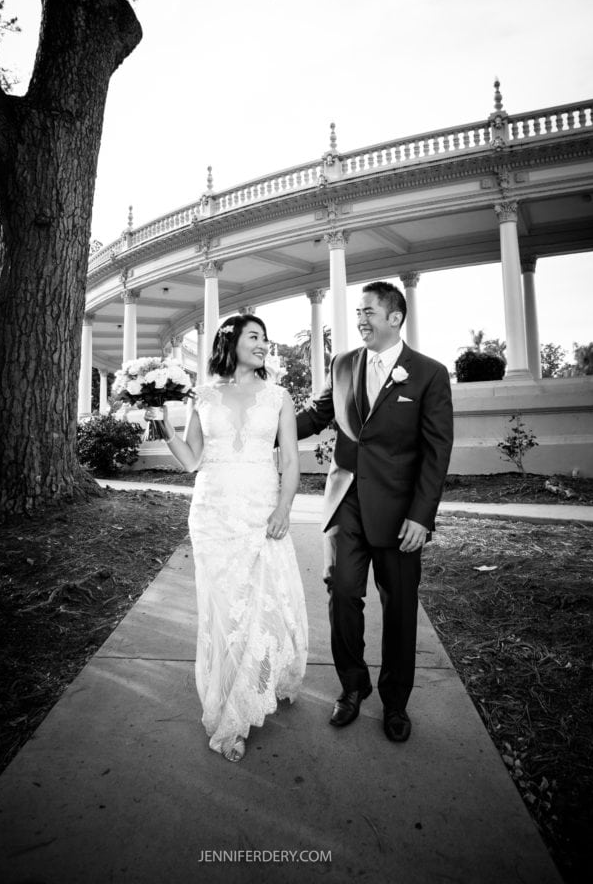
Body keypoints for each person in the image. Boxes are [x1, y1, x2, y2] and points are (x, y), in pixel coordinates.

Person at [296, 280, 453, 743]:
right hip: (345, 503)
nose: (360, 319)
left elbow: (436, 450)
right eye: (358, 312)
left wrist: (422, 517)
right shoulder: (343, 363)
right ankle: (352, 684)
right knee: (342, 592)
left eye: (368, 312)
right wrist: (259, 422)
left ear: (395, 318)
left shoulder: (428, 373)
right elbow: (315, 414)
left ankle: (395, 702)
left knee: (399, 608)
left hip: (401, 513)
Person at [157, 314, 308, 763]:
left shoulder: (280, 396)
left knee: (263, 601)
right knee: (223, 610)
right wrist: (163, 424)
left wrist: (284, 507)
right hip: (213, 513)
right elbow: (191, 461)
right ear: (232, 342)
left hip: (262, 511)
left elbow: (292, 460)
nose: (263, 344)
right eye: (254, 337)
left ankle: (252, 691)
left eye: (266, 337)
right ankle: (227, 709)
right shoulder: (202, 395)